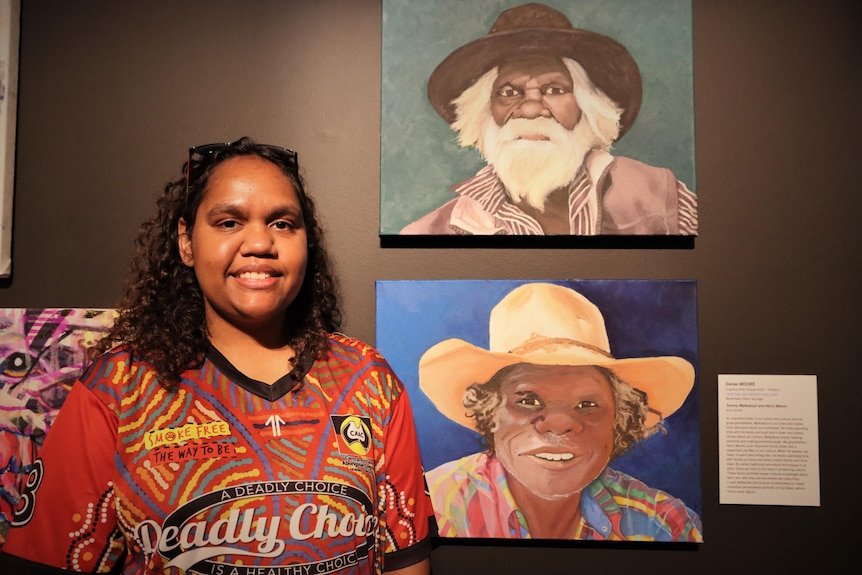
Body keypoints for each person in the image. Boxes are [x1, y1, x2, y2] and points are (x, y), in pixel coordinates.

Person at [0, 138, 433, 574]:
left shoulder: (366, 381)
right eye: (229, 222)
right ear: (187, 243)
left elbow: (406, 564)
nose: (260, 243)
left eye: (283, 223)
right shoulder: (118, 388)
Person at [418, 282, 702, 541]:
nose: (559, 423)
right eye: (528, 400)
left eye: (587, 405)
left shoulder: (667, 526)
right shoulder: (430, 507)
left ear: (620, 421)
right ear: (489, 412)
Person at [400, 3, 698, 236]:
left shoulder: (659, 196)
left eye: (554, 90)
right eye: (508, 92)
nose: (530, 110)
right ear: (483, 112)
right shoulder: (432, 231)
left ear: (588, 108)